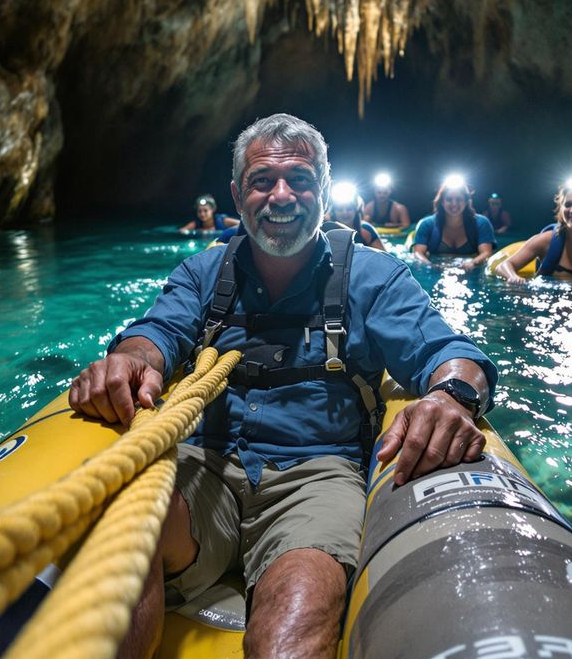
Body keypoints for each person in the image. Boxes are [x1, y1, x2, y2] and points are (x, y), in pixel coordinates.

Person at [70, 114, 497, 659]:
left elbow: (449, 352)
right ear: (236, 193)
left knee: (292, 621)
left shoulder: (372, 277)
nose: (281, 195)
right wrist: (131, 359)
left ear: (321, 187)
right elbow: (158, 332)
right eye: (261, 181)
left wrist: (450, 395)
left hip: (318, 475)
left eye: (299, 179)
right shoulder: (204, 272)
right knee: (127, 541)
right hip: (206, 462)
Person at [411, 176, 495, 270]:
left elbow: (486, 253)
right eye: (449, 199)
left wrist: (472, 263)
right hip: (436, 270)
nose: (454, 204)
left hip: (470, 271)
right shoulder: (426, 224)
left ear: (466, 202)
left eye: (459, 199)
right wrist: (431, 266)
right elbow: (418, 253)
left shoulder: (481, 223)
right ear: (442, 202)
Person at [326, 182, 386, 250]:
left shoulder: (365, 230)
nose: (344, 213)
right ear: (334, 212)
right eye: (340, 209)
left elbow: (386, 257)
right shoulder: (327, 230)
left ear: (356, 210)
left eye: (349, 209)